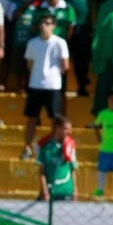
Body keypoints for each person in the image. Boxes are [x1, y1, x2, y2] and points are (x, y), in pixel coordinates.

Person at [21, 14, 69, 160]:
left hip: (53, 86)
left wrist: (52, 76)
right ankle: (27, 148)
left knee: (55, 119)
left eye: (47, 23)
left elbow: (65, 65)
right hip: (35, 85)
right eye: (42, 23)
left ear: (54, 26)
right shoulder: (32, 43)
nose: (44, 26)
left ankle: (57, 147)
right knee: (31, 118)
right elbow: (29, 64)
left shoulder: (60, 43)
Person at [59, 0, 99, 97]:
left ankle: (82, 86)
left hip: (83, 24)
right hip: (64, 23)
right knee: (63, 55)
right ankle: (60, 87)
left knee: (81, 57)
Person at [36, 115, 78, 201]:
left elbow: (73, 169)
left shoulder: (70, 146)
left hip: (67, 192)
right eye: (66, 128)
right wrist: (44, 190)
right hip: (49, 192)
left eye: (70, 129)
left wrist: (75, 190)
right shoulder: (45, 147)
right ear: (57, 128)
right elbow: (41, 171)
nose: (69, 132)